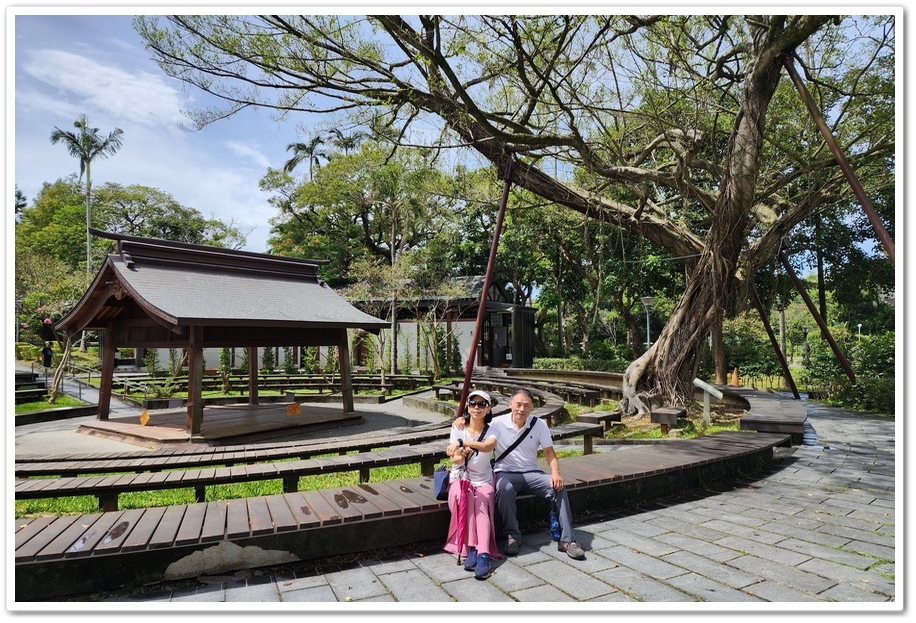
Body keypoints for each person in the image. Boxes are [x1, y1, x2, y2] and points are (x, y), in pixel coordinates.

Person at [452, 387, 586, 560]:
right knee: (503, 487)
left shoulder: (539, 424)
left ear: (532, 408)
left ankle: (568, 540)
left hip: (532, 473)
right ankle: (512, 535)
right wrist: (461, 420)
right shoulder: (497, 423)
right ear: (510, 405)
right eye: (518, 405)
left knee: (558, 488)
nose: (522, 409)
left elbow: (549, 453)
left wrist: (555, 473)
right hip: (505, 472)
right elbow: (477, 420)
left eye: (526, 406)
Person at [443, 389, 500, 580]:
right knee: (464, 496)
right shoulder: (458, 427)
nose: (477, 407)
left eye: (482, 404)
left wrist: (464, 442)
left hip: (483, 479)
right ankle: (472, 547)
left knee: (481, 502)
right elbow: (455, 460)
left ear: (488, 408)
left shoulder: (492, 430)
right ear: (468, 406)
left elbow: (487, 446)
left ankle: (482, 553)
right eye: (473, 403)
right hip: (460, 478)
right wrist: (459, 455)